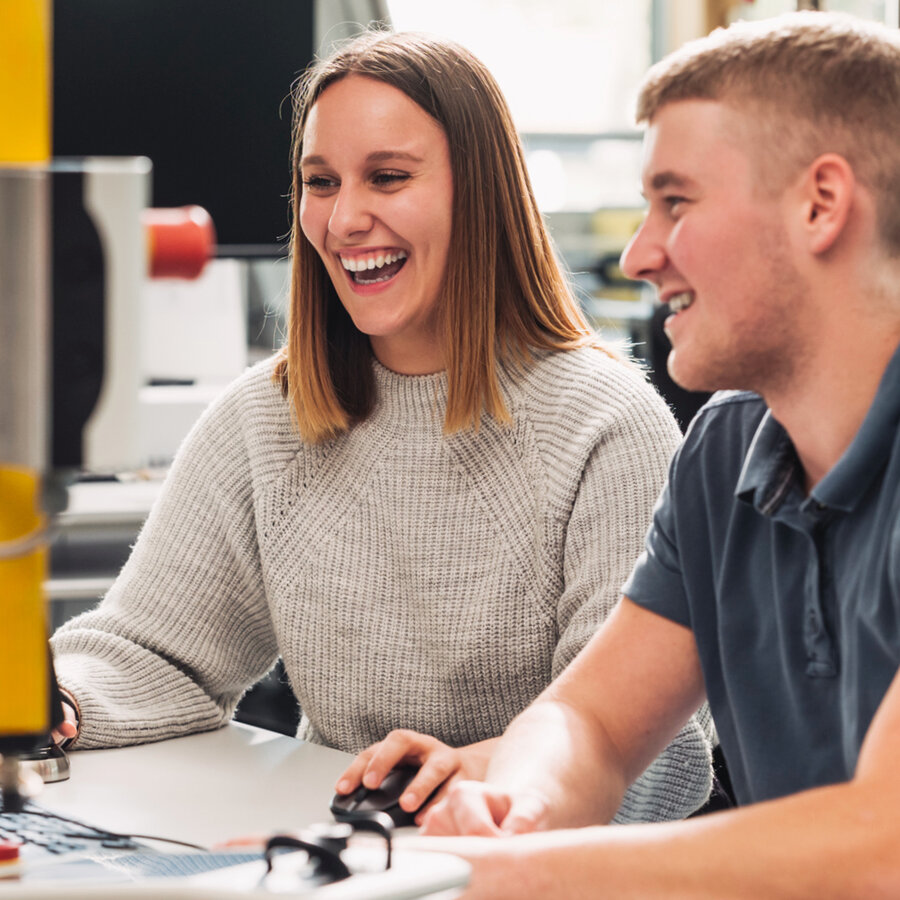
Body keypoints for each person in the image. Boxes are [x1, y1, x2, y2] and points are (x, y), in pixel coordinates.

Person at [49, 30, 713, 824]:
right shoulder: (267, 416)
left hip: (530, 860)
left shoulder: (606, 428)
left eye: (388, 178)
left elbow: (653, 752)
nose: (344, 219)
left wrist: (476, 781)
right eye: (320, 182)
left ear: (481, 192)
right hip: (341, 848)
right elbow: (155, 653)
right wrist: (58, 700)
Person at [393, 11, 900, 897]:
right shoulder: (726, 452)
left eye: (676, 202)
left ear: (821, 204)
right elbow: (591, 723)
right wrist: (515, 806)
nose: (638, 255)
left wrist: (506, 870)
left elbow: (882, 843)